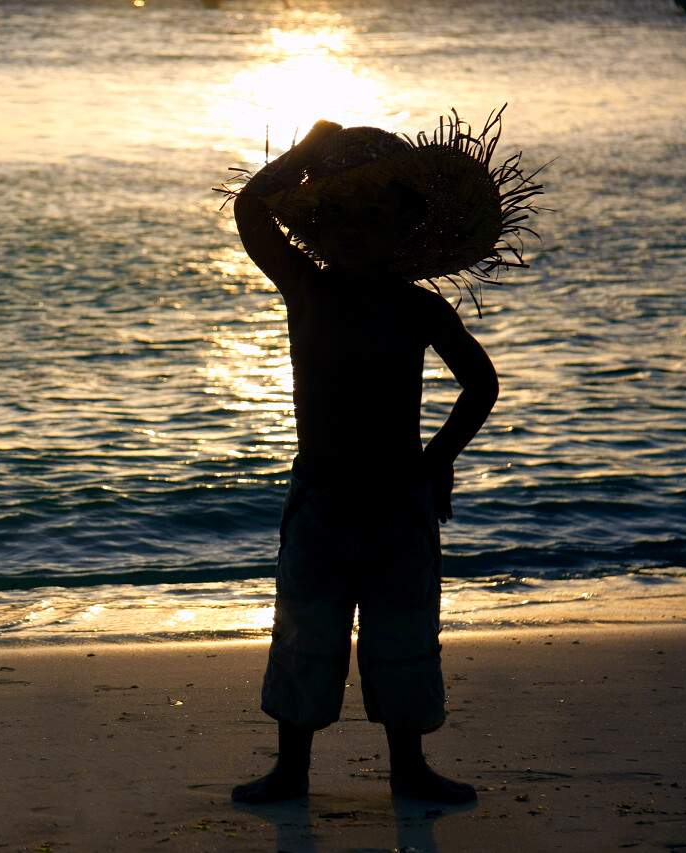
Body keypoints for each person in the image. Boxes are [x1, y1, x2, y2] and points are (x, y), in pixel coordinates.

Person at [223, 111, 540, 804]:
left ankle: (409, 768)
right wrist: (309, 146)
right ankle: (292, 770)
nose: (352, 228)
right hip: (323, 500)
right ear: (312, 228)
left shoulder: (419, 309)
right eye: (334, 213)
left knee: (403, 634)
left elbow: (481, 385)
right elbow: (251, 208)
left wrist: (437, 460)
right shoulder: (306, 288)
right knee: (307, 633)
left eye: (373, 212)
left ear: (408, 224)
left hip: (400, 501)